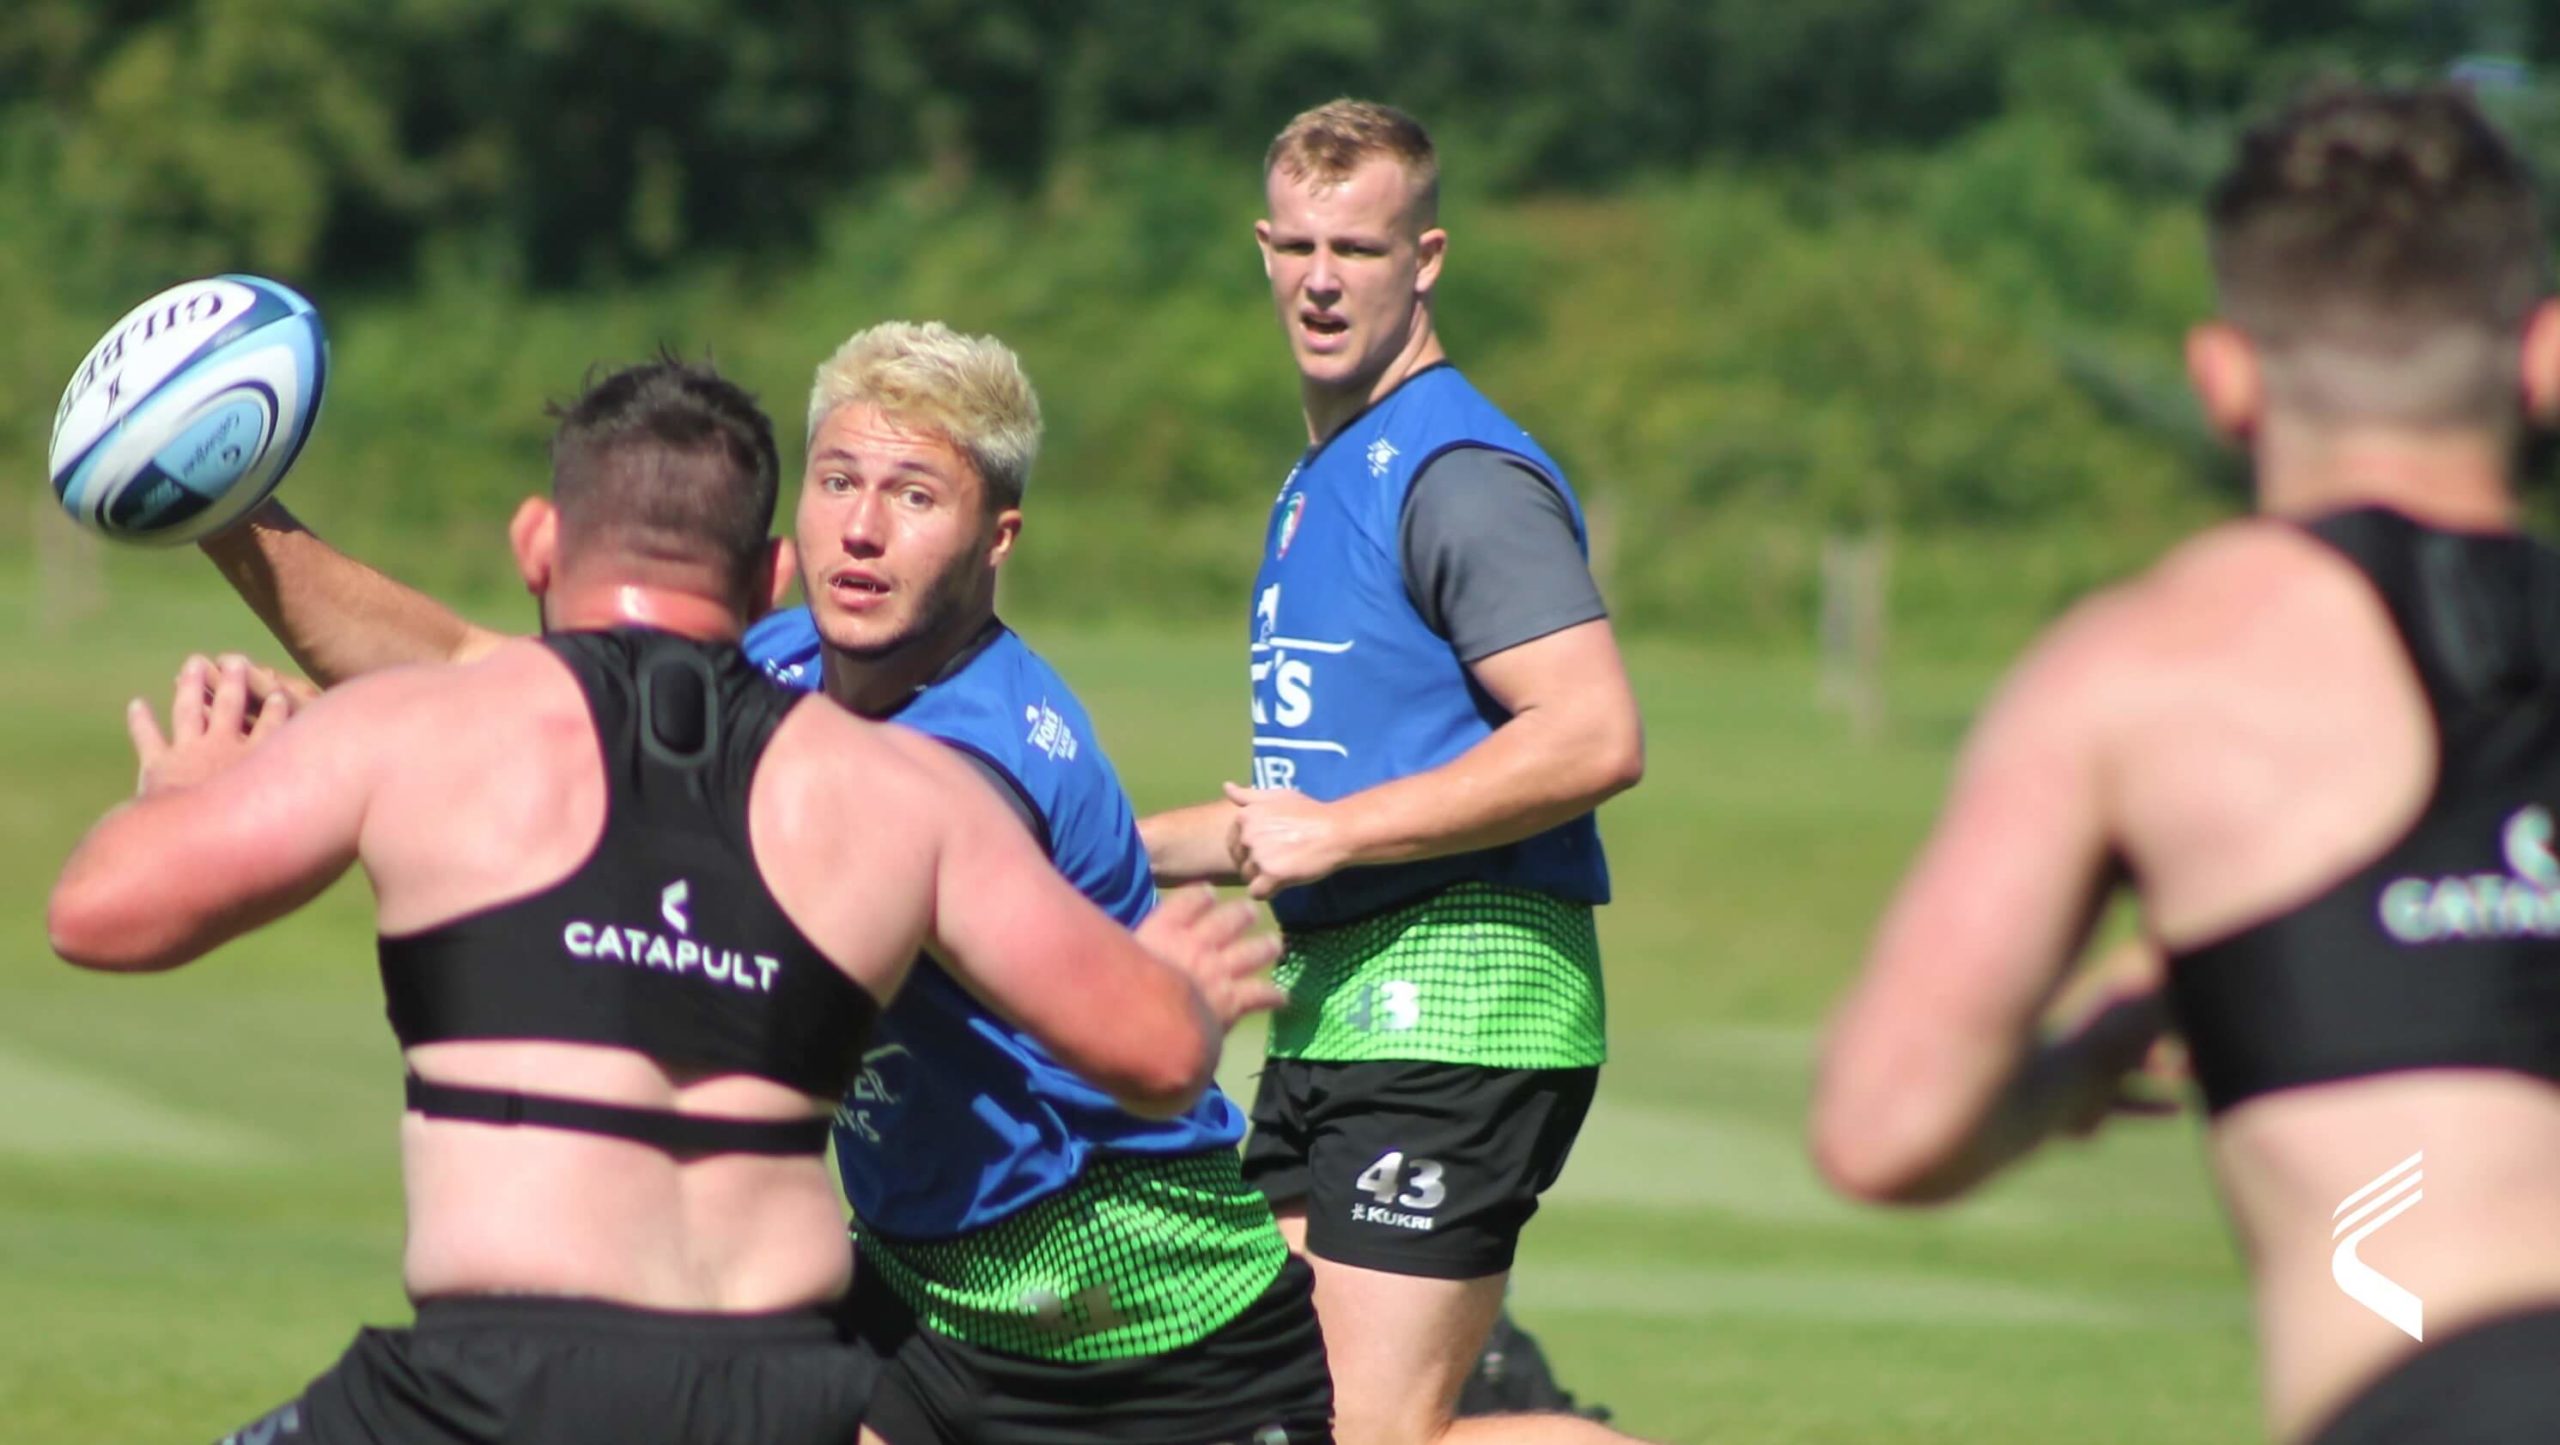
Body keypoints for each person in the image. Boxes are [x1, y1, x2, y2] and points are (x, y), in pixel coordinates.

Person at [49, 359, 1284, 1445]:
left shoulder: (421, 736)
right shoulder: (889, 786)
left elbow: (101, 912)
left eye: (909, 495)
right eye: (840, 483)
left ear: (538, 543)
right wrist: (1174, 982)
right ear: (768, 580)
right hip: (785, 1381)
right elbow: (1163, 1047)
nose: (865, 529)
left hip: (500, 1376)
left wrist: (184, 793)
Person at [1811, 85, 2560, 1445]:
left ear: (2222, 374)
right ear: (2545, 354)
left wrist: (2089, 1056)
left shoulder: (2160, 661)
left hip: (2436, 1396)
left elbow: (1887, 1124)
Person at [1139, 100, 1647, 1445]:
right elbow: (1288, 823)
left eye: (1358, 249)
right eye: (1299, 244)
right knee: (1281, 1419)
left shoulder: (1457, 471)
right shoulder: (1324, 478)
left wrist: (1343, 833)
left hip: (1459, 1008)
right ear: (1262, 248)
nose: (1321, 278)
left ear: (1426, 259)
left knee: (1367, 1432)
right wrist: (1074, 852)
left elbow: (1593, 736)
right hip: (1338, 1017)